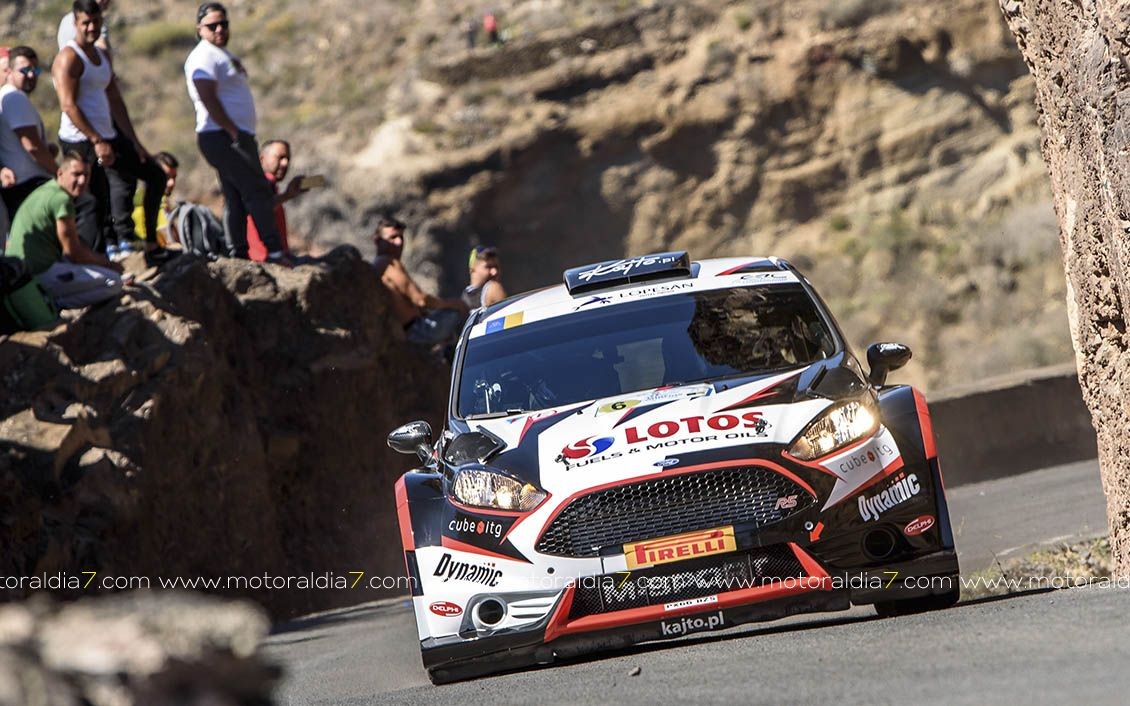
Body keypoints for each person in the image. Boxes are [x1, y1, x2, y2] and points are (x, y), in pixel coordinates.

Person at [54, 0, 165, 259]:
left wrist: (133, 140)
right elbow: (68, 105)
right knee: (93, 201)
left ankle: (151, 244)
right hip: (80, 139)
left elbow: (114, 98)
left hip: (108, 134)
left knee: (155, 175)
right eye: (85, 23)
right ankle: (95, 258)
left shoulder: (101, 55)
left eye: (95, 22)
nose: (91, 28)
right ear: (75, 23)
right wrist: (96, 140)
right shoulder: (69, 58)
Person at [185, 2, 289, 264]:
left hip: (232, 134)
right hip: (221, 135)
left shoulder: (222, 54)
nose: (219, 29)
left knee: (235, 195)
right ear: (199, 29)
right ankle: (274, 250)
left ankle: (238, 253)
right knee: (256, 189)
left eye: (224, 24)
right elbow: (206, 95)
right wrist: (232, 131)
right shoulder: (203, 55)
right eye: (212, 26)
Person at [4, 151, 123, 308]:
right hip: (38, 274)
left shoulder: (45, 190)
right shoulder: (61, 199)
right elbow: (74, 254)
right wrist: (109, 264)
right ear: (60, 173)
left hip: (21, 272)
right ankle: (53, 304)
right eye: (76, 174)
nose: (82, 181)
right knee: (114, 281)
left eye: (86, 175)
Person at [372, 215, 468, 346]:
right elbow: (421, 300)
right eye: (392, 237)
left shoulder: (378, 265)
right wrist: (454, 304)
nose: (399, 242)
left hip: (410, 330)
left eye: (401, 237)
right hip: (417, 331)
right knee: (461, 312)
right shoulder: (387, 263)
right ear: (377, 240)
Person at [0, 47, 56, 217]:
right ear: (9, 71)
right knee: (86, 204)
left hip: (20, 184)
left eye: (35, 70)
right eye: (24, 70)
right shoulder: (14, 98)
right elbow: (32, 146)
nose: (31, 75)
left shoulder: (9, 97)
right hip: (29, 184)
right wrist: (59, 172)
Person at [246, 139, 309, 262]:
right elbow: (262, 206)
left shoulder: (270, 186)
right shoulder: (261, 183)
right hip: (264, 258)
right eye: (279, 157)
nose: (285, 163)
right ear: (262, 159)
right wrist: (287, 195)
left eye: (287, 159)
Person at [132, 150, 178, 248]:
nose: (171, 183)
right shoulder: (145, 204)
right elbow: (168, 239)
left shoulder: (164, 202)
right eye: (166, 177)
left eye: (174, 177)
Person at [462, 245, 507, 310]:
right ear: (472, 269)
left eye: (496, 267)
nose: (494, 272)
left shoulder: (493, 288)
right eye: (488, 267)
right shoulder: (465, 294)